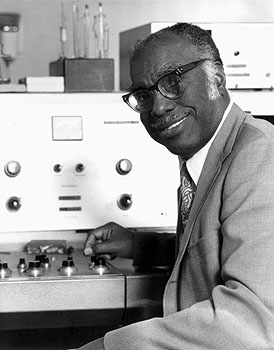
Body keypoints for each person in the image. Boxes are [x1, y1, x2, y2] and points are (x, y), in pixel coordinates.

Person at [79, 22, 274, 349]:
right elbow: (221, 247)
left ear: (217, 78)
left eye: (173, 82)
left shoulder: (259, 155)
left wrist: (106, 347)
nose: (158, 107)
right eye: (143, 95)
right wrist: (142, 247)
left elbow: (251, 324)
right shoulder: (208, 154)